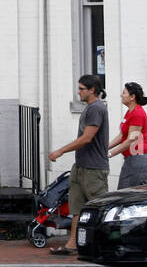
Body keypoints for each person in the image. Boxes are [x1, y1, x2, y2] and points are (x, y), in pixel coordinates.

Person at [47, 74, 109, 255]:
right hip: (81, 166)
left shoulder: (97, 108)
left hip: (94, 169)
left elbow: (87, 138)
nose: (79, 91)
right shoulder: (89, 108)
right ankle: (72, 244)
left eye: (82, 88)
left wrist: (61, 150)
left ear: (92, 90)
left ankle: (101, 245)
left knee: (98, 208)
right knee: (77, 209)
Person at [109, 81, 147, 188]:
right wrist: (104, 148)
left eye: (124, 93)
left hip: (138, 159)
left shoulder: (137, 113)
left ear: (132, 97)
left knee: (124, 195)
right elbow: (121, 136)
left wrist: (110, 154)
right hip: (133, 159)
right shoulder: (130, 112)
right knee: (136, 196)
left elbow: (131, 140)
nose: (121, 95)